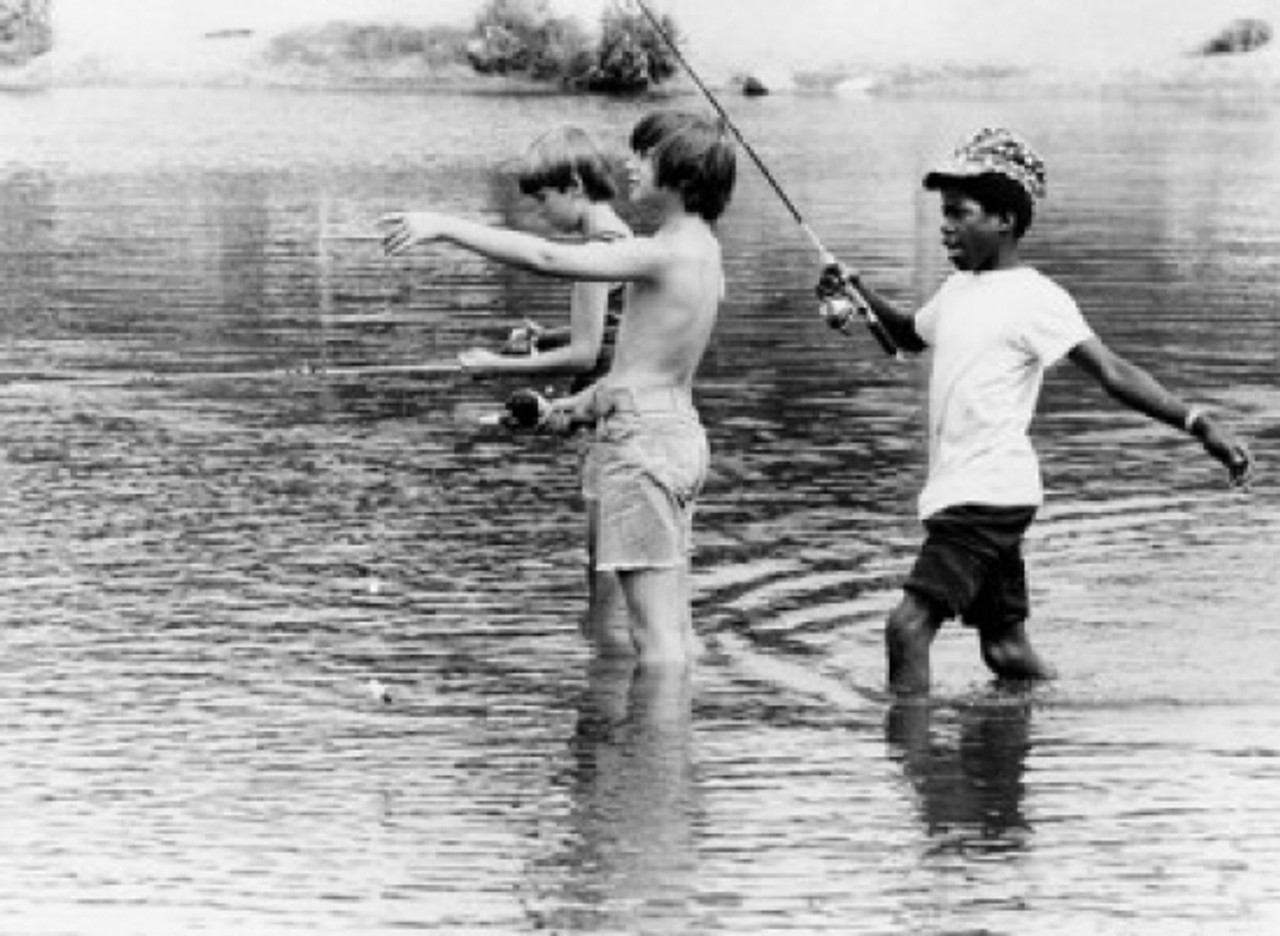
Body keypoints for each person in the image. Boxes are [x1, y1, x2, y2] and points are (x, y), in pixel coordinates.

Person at [816, 127, 1253, 696]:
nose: (945, 225)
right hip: (973, 491)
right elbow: (906, 338)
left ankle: (911, 772)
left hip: (985, 495)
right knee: (1005, 650)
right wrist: (858, 293)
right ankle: (1056, 723)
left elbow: (1113, 372)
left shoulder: (1035, 297)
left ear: (1004, 220)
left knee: (906, 629)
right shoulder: (957, 291)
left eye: (959, 212)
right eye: (944, 213)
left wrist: (1200, 423)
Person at [381, 109, 737, 667]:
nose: (629, 164)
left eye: (644, 155)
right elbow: (645, 371)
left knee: (655, 641)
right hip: (675, 434)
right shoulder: (706, 252)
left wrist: (446, 226)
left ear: (684, 175)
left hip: (642, 449)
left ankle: (654, 753)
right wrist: (572, 408)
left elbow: (547, 257)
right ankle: (660, 746)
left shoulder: (664, 252)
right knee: (675, 626)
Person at [455, 126, 633, 633]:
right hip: (621, 420)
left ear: (574, 185)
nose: (539, 214)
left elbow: (583, 356)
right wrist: (544, 337)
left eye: (542, 200)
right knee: (615, 577)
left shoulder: (593, 255)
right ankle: (612, 680)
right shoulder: (624, 240)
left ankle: (606, 663)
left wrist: (497, 365)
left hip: (610, 431)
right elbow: (611, 332)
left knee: (604, 580)